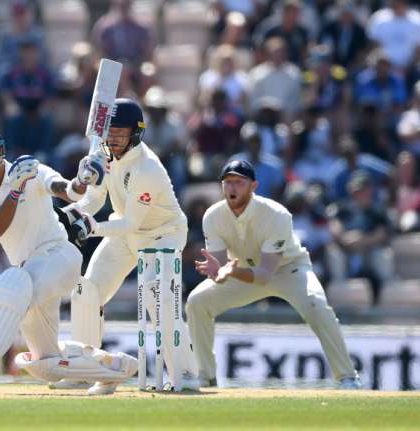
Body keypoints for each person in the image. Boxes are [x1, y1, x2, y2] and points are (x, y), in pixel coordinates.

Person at [0, 123, 136, 395]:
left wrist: (82, 179)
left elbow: (69, 191)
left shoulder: (32, 170)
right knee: (46, 363)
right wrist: (15, 191)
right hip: (29, 272)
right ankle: (116, 367)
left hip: (59, 257)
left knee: (10, 284)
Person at [60, 99, 199, 391]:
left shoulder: (146, 168)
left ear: (136, 134)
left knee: (156, 295)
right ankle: (85, 370)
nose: (114, 139)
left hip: (162, 233)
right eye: (110, 132)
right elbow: (95, 199)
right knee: (87, 291)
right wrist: (76, 209)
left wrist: (92, 227)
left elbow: (133, 224)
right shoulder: (103, 153)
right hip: (124, 231)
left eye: (121, 133)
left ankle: (185, 376)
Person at [187, 160, 362, 389]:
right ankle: (206, 377)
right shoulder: (213, 216)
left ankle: (347, 377)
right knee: (197, 302)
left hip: (288, 270)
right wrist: (218, 273)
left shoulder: (276, 214)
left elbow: (264, 275)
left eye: (239, 182)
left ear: (254, 186)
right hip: (242, 272)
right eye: (228, 182)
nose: (232, 188)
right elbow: (220, 270)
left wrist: (231, 270)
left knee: (316, 304)